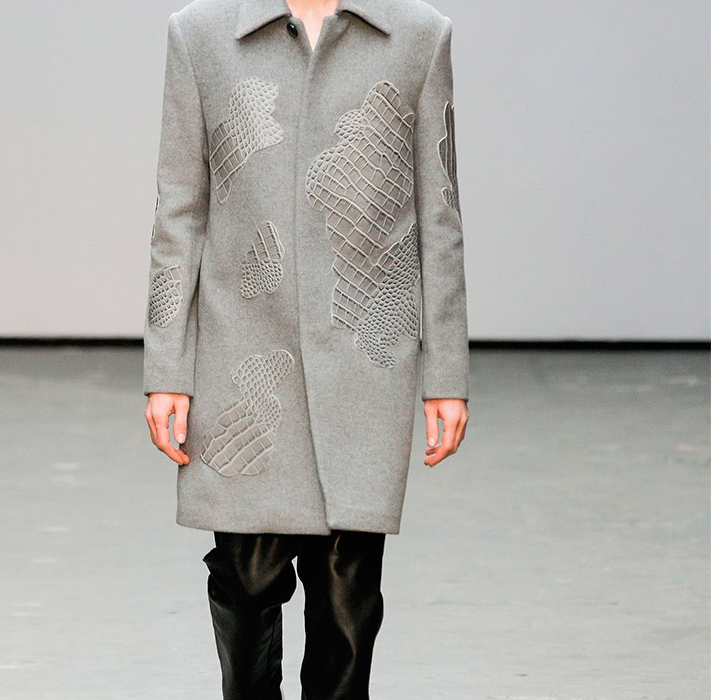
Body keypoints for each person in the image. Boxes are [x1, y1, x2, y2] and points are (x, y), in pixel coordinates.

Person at [142, 0, 469, 696]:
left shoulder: (418, 36)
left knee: (348, 599)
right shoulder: (200, 35)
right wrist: (167, 367)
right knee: (247, 578)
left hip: (364, 362)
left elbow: (438, 217)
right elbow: (179, 212)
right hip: (242, 350)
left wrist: (446, 373)